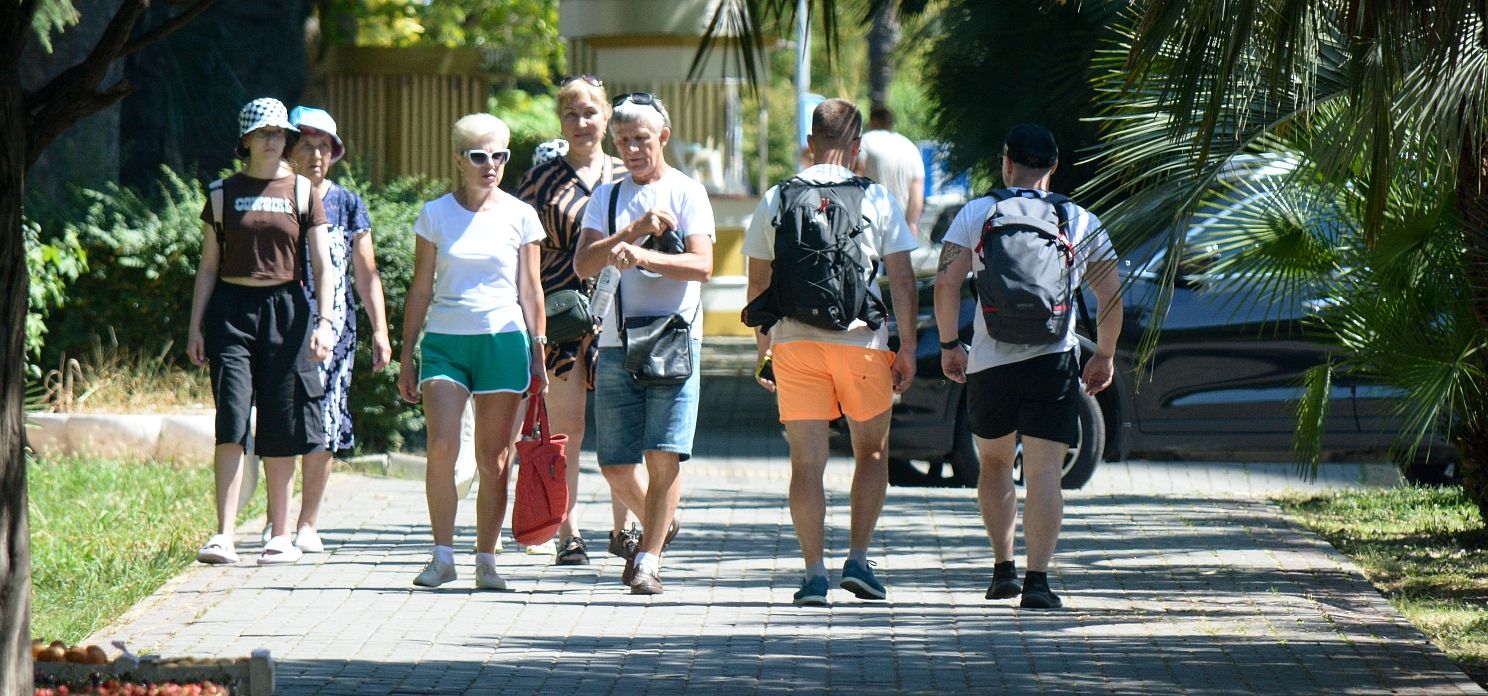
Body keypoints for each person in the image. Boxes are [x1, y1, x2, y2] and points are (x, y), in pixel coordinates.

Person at [933, 123, 1122, 609]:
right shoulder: (1078, 219)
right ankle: (1038, 583)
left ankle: (1003, 571)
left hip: (990, 361)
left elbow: (946, 283)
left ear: (1006, 162)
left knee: (995, 463)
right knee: (1045, 473)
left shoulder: (977, 213)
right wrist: (1104, 354)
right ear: (1054, 167)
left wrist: (951, 345)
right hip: (1052, 361)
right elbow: (1110, 293)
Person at [744, 98, 918, 606]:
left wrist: (765, 351)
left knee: (806, 463)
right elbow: (903, 280)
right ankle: (858, 561)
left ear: (810, 144)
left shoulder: (777, 197)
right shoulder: (876, 197)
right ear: (857, 148)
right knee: (873, 452)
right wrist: (907, 348)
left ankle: (814, 574)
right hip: (862, 344)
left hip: (795, 344)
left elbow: (758, 285)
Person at [397, 113, 548, 590]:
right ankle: (443, 557)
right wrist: (406, 355)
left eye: (500, 155)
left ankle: (486, 559)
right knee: (442, 447)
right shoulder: (435, 214)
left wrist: (539, 350)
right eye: (479, 156)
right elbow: (421, 289)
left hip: (504, 341)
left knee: (494, 458)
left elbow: (531, 289)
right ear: (459, 159)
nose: (491, 165)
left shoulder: (521, 215)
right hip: (445, 341)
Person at [574, 92, 715, 595]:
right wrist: (633, 232)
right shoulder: (607, 197)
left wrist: (646, 258)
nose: (632, 149)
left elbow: (702, 265)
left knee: (663, 454)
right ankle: (662, 519)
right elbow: (584, 264)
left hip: (675, 339)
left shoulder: (688, 192)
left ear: (663, 138)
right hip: (617, 341)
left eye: (641, 139)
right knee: (614, 464)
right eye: (623, 140)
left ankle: (648, 560)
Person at [187, 97, 336, 566]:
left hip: (287, 312)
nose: (273, 140)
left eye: (279, 133)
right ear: (246, 140)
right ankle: (224, 535)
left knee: (281, 422)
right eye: (264, 133)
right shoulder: (221, 193)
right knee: (232, 419)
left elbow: (323, 265)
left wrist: (326, 322)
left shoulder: (303, 192)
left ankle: (280, 535)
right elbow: (208, 267)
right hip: (231, 311)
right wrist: (195, 327)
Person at [516, 75, 634, 566]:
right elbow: (520, 251)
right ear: (560, 122)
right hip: (561, 314)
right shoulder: (540, 179)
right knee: (568, 428)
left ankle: (625, 529)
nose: (582, 122)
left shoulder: (628, 172)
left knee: (623, 426)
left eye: (590, 112)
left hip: (622, 311)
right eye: (571, 114)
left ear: (606, 116)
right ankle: (568, 532)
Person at [283, 105, 392, 554]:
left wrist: (380, 330)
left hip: (334, 331)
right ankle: (275, 523)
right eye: (307, 145)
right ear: (289, 149)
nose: (315, 155)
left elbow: (366, 274)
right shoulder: (277, 197)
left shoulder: (347, 203)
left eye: (324, 147)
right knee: (279, 418)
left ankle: (308, 523)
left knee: (324, 420)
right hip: (281, 322)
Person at [855, 106, 925, 238]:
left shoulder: (865, 142)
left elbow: (857, 175)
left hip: (869, 226)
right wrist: (912, 223)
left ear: (873, 121)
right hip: (900, 228)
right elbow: (917, 188)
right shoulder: (909, 147)